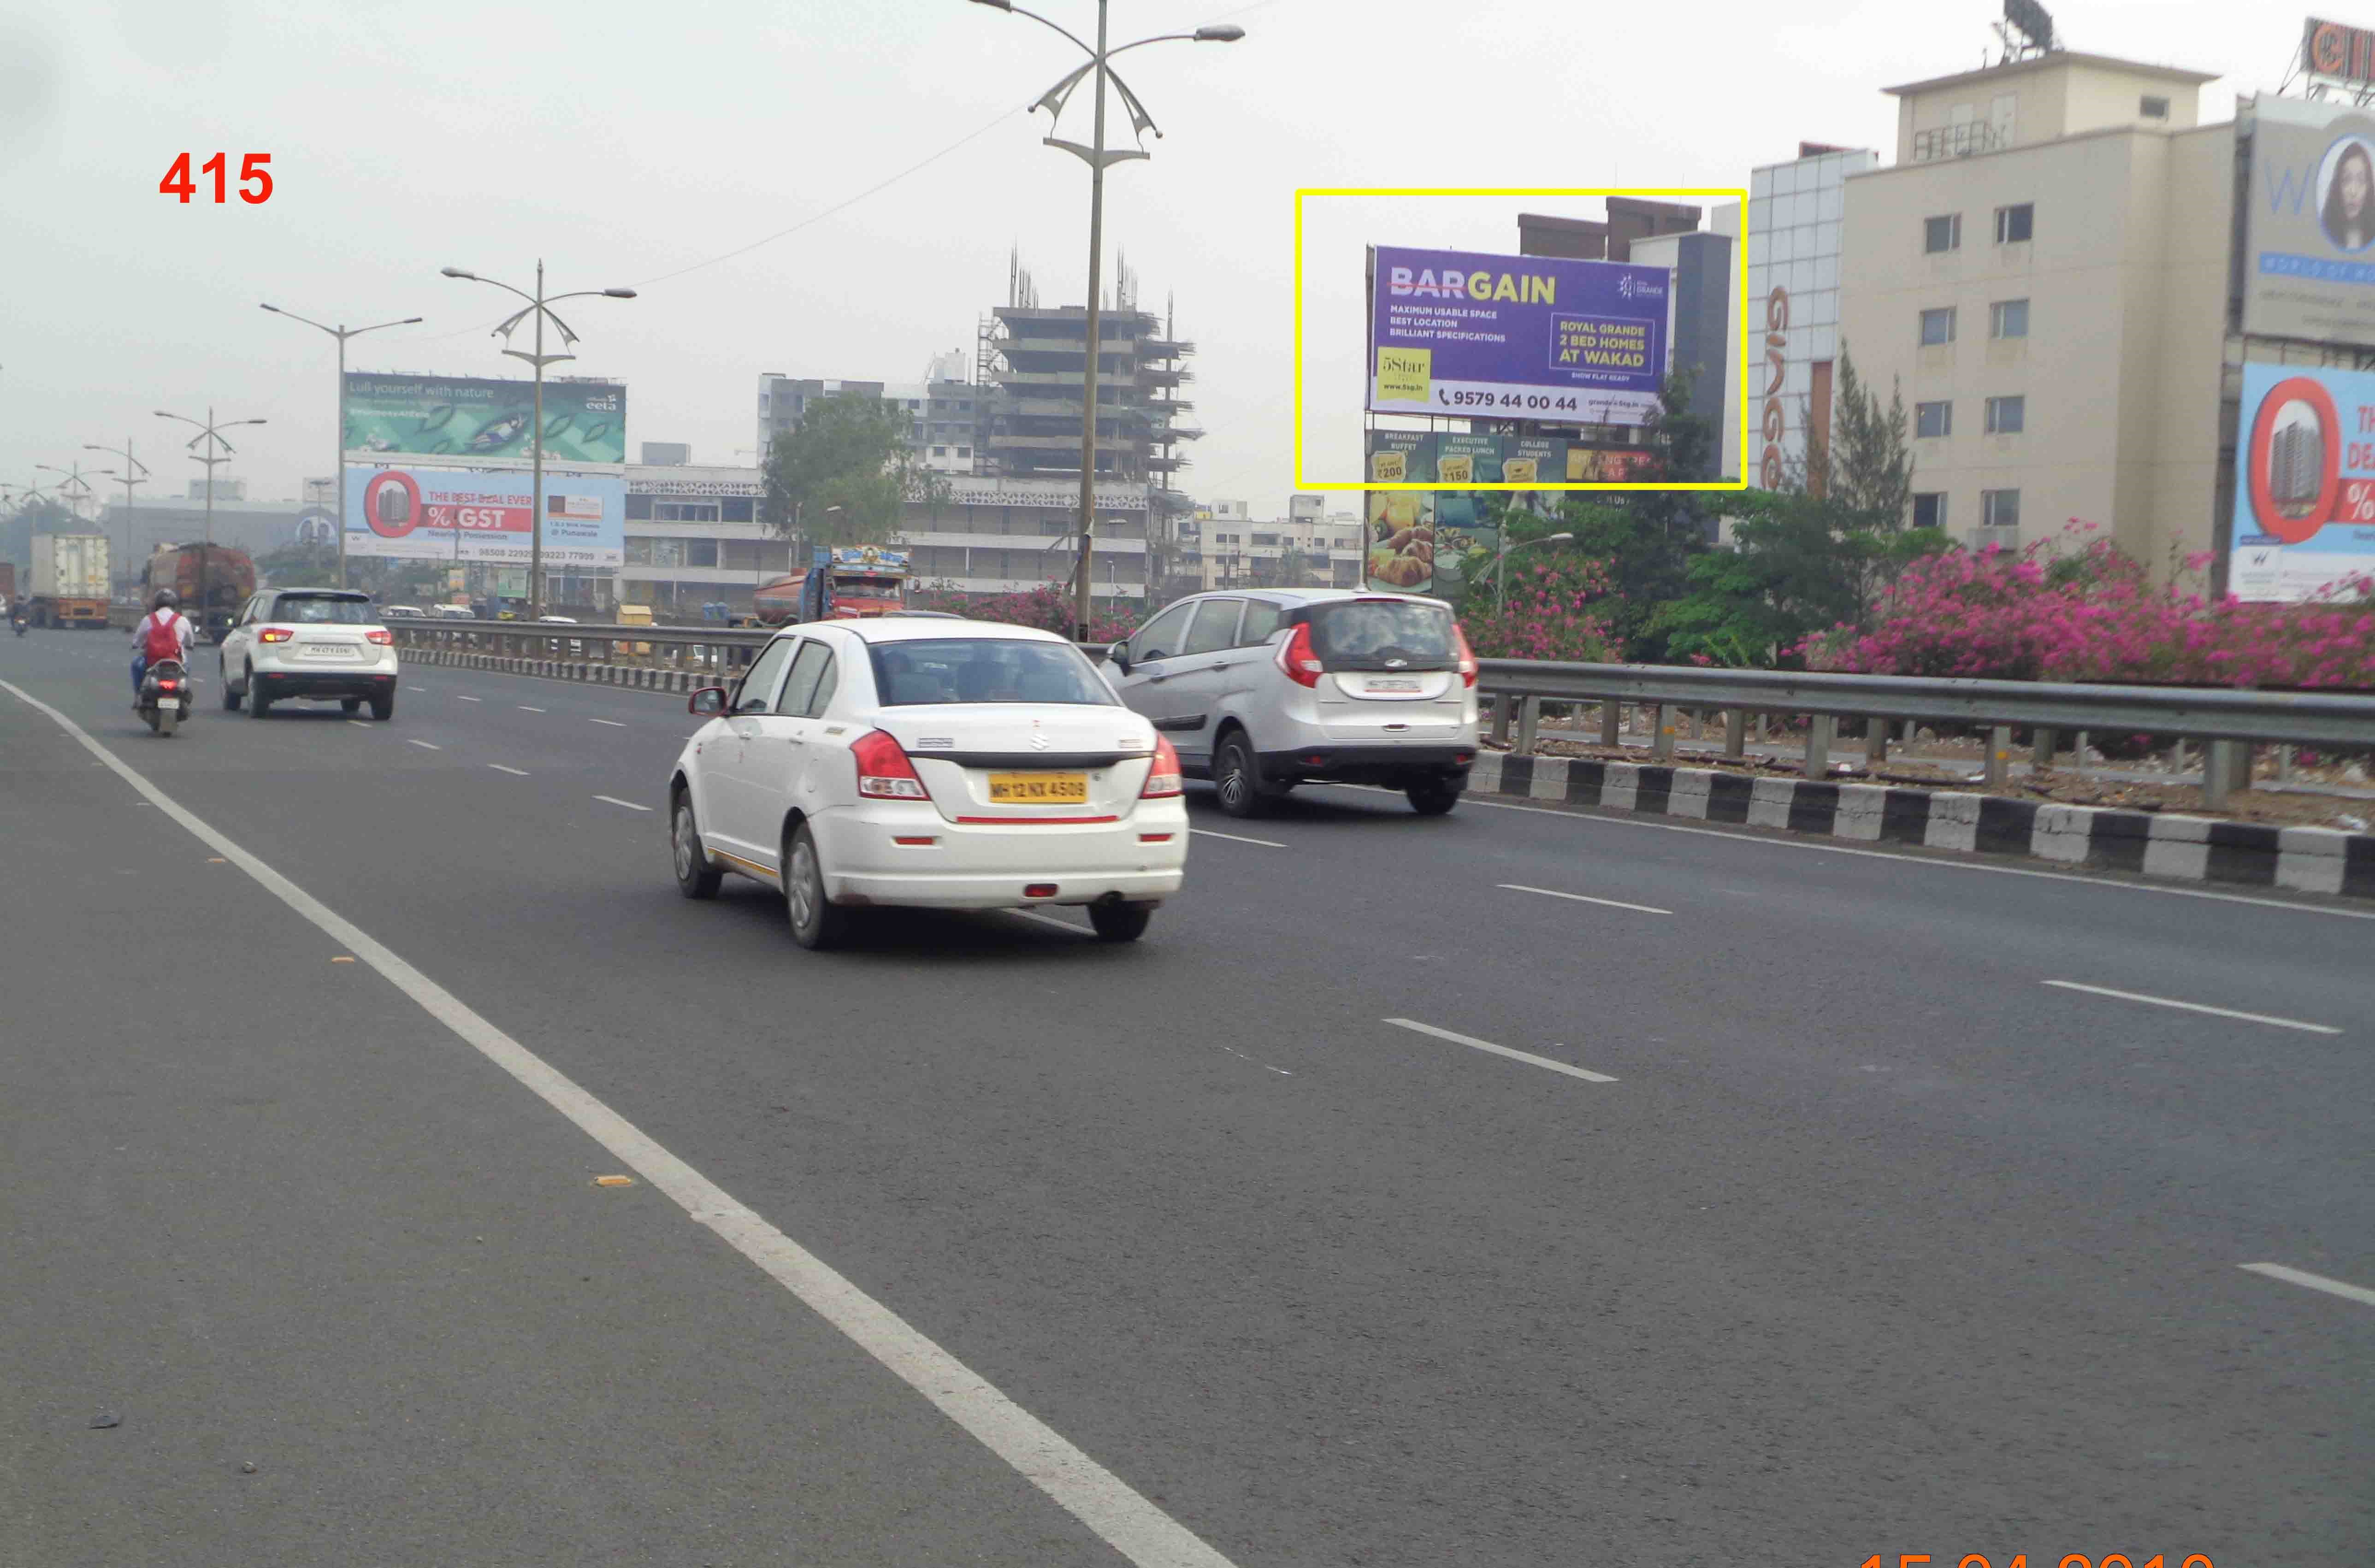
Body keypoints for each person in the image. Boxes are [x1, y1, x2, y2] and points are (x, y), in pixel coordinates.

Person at [130, 589, 195, 706]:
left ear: (156, 604)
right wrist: (190, 646)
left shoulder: (148, 619)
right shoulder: (182, 620)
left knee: (136, 665)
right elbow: (191, 641)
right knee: (186, 668)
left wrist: (136, 645)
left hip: (152, 661)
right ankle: (183, 691)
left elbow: (137, 641)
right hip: (177, 661)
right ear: (174, 605)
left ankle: (138, 696)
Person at [2324, 139, 2375, 252]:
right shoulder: (2326, 231)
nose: (2353, 191)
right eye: (2346, 180)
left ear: (2369, 188)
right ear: (2338, 186)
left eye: (2361, 181)